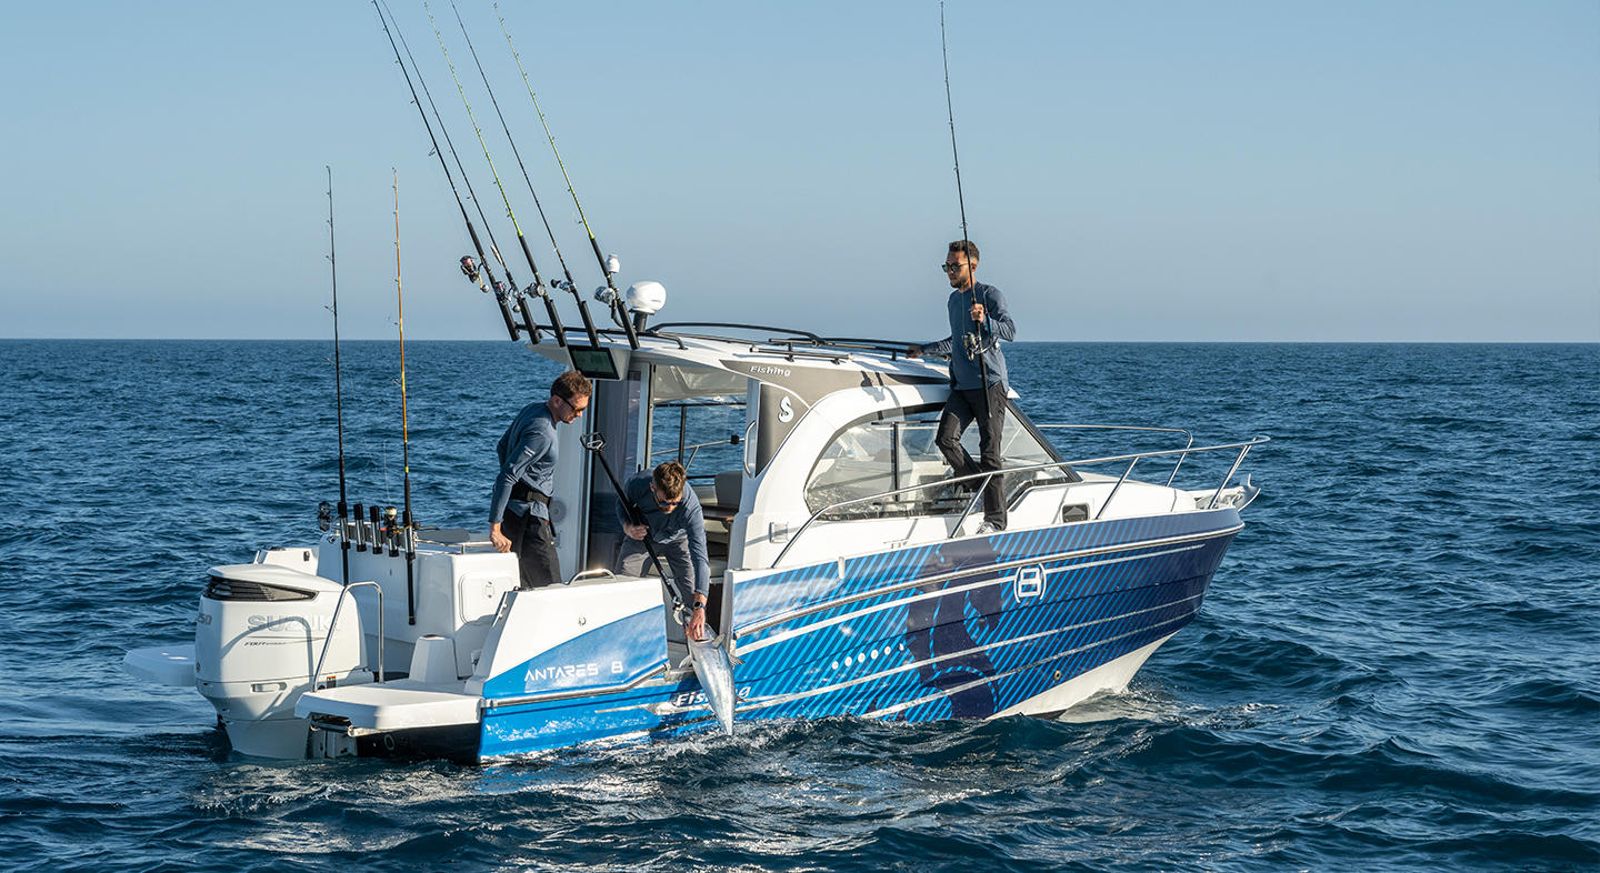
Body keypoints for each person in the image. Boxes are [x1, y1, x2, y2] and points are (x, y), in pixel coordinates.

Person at [912, 239, 1016, 533]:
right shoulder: (953, 301)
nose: (949, 271)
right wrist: (923, 350)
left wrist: (986, 320)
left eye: (954, 266)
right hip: (961, 386)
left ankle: (995, 521)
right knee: (945, 439)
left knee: (990, 452)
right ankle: (979, 487)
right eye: (946, 266)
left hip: (989, 385)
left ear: (973, 266)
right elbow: (955, 341)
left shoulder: (990, 295)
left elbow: (1010, 330)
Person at [489, 370, 592, 589]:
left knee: (524, 584)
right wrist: (495, 529)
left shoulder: (532, 409)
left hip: (516, 514)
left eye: (583, 409)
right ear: (557, 401)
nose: (579, 415)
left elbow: (502, 446)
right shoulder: (543, 432)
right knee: (552, 588)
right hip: (529, 520)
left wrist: (519, 483)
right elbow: (508, 474)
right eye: (577, 409)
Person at [614, 460, 712, 645]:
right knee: (622, 584)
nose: (670, 508)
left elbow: (700, 557)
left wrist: (700, 605)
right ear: (652, 487)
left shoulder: (691, 508)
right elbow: (621, 504)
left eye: (675, 503)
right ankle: (622, 639)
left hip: (678, 540)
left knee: (692, 593)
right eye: (664, 502)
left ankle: (698, 641)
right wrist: (627, 527)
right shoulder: (637, 484)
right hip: (642, 535)